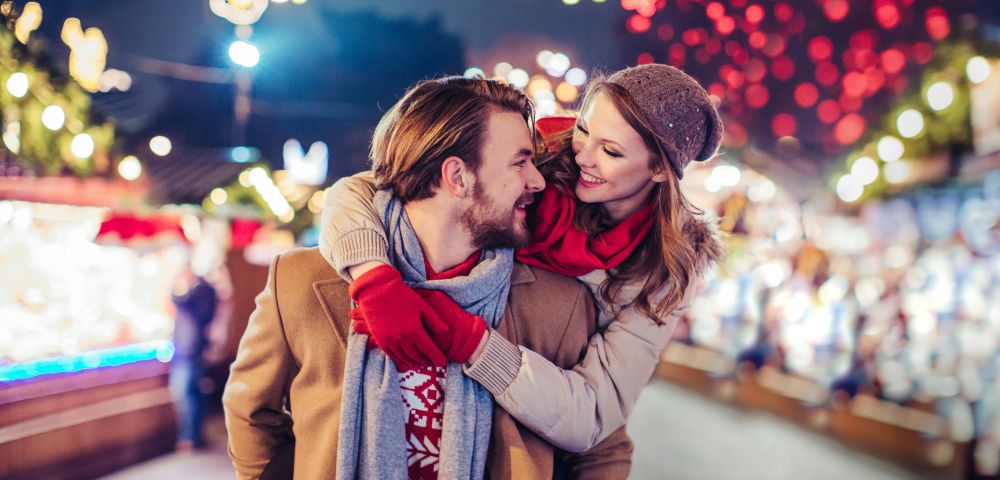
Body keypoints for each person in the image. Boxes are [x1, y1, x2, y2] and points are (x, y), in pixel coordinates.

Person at [222, 76, 632, 479]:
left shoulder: (559, 304)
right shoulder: (299, 282)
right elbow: (249, 413)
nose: (537, 181)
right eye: (520, 162)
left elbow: (601, 449)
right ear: (457, 176)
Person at [320, 63, 725, 452]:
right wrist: (374, 279)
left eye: (611, 152)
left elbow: (596, 413)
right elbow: (370, 189)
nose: (583, 157)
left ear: (659, 170)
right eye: (584, 130)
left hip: (527, 414)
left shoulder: (664, 270)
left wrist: (473, 342)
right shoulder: (540, 160)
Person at [169, 262, 219, 452]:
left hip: (191, 350)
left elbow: (182, 304)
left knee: (186, 393)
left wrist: (177, 289)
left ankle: (190, 437)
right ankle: (192, 436)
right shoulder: (200, 291)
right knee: (191, 393)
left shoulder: (201, 291)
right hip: (187, 349)